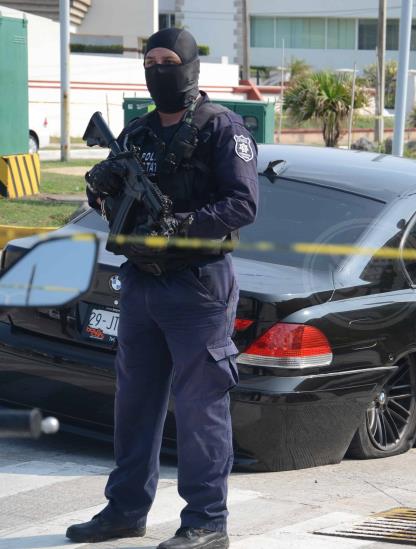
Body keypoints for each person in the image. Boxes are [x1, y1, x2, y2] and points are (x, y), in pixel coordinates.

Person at [66, 28, 258, 549]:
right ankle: (124, 511)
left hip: (197, 287)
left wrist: (181, 225)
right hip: (141, 285)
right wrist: (101, 190)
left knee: (200, 409)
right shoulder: (137, 135)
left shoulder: (223, 129)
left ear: (192, 66)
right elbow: (108, 199)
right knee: (134, 406)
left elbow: (242, 204)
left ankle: (206, 522)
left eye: (168, 60)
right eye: (149, 60)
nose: (158, 69)